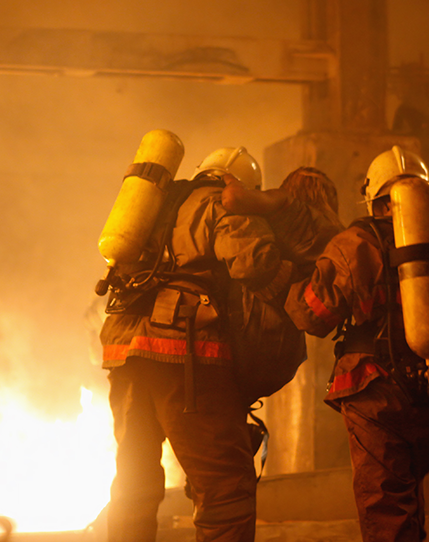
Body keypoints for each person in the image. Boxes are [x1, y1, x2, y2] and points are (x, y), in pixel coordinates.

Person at [284, 146, 429, 542]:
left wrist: (287, 280)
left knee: (384, 505)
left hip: (375, 390)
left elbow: (312, 315)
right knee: (408, 490)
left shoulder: (355, 243)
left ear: (374, 198)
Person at [100, 146, 293, 542]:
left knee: (134, 484)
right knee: (225, 486)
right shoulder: (220, 204)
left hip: (125, 353)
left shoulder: (157, 205)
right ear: (239, 184)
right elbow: (253, 264)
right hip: (184, 353)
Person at [220, 166, 345, 410]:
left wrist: (228, 178)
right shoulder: (335, 231)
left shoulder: (289, 204)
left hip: (260, 330)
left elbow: (233, 199)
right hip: (291, 349)